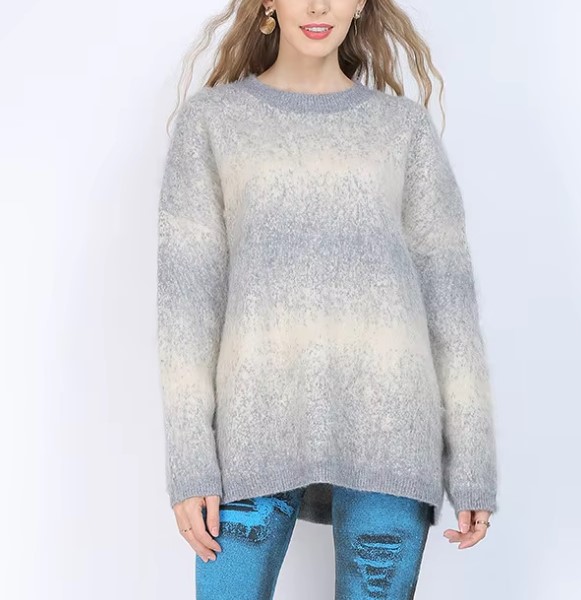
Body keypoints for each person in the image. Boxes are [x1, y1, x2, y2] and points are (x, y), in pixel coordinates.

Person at [156, 1, 499, 598]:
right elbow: (186, 307)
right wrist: (190, 462)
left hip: (392, 428)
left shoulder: (403, 128)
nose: (319, 6)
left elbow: (450, 302)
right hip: (252, 429)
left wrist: (472, 464)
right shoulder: (212, 122)